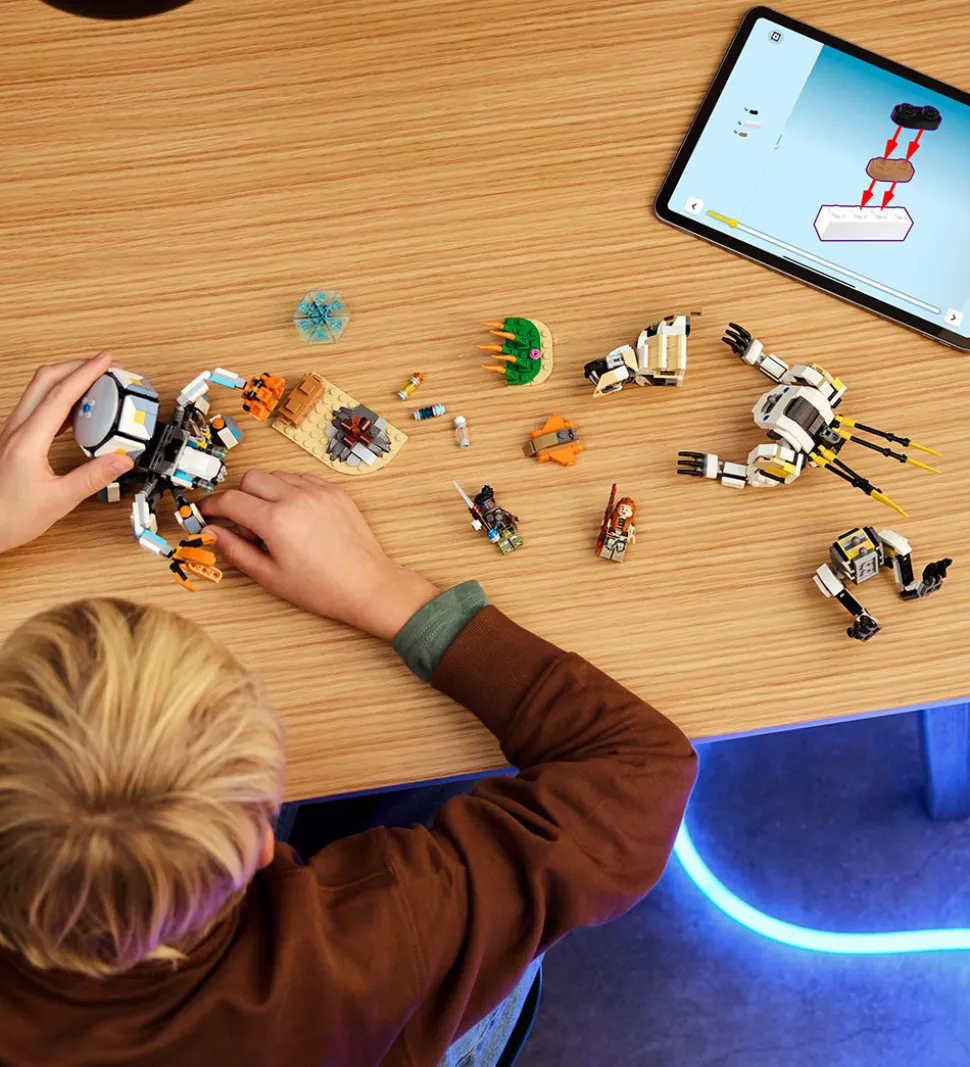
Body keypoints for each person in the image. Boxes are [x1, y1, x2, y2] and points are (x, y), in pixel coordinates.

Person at [0, 353, 697, 1067]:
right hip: (399, 1015)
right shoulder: (372, 950)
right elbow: (640, 772)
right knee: (451, 792)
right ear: (260, 841)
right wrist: (380, 591)